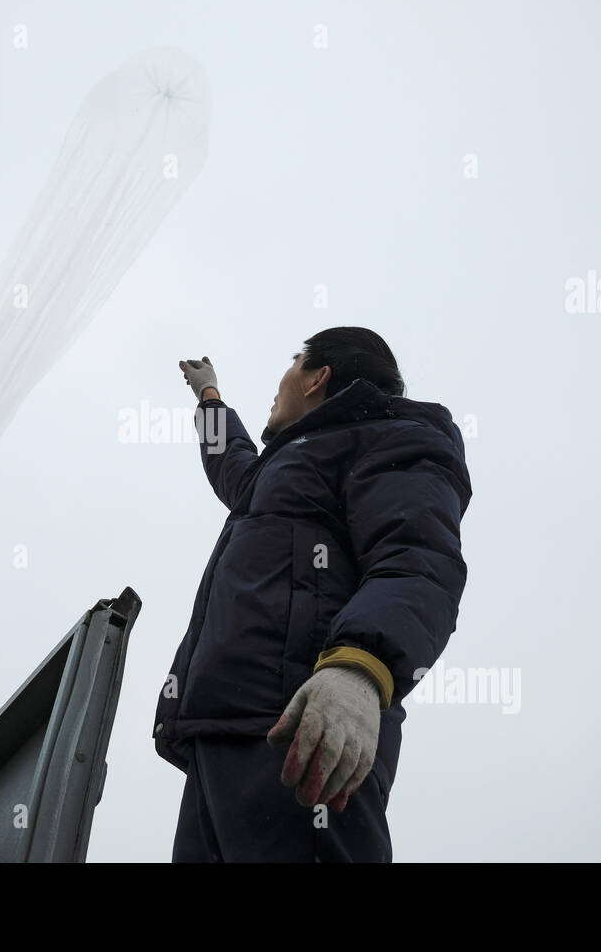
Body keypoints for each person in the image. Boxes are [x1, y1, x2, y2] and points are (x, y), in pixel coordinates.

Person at [154, 327, 472, 862]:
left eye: (293, 362)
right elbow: (233, 464)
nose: (277, 385)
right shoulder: (284, 467)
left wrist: (361, 668)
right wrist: (210, 398)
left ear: (318, 376)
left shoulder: (389, 437)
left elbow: (415, 557)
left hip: (306, 731)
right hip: (220, 732)